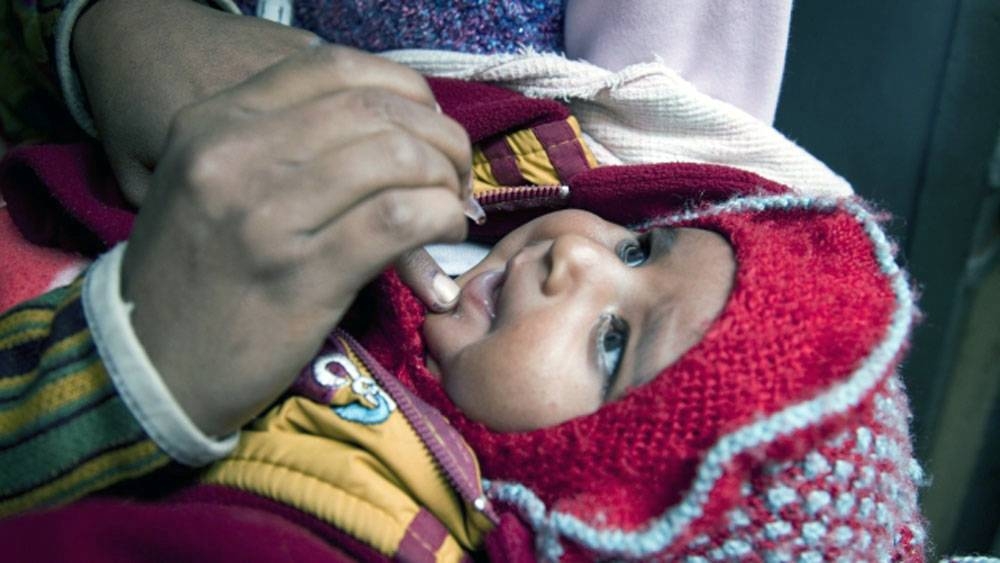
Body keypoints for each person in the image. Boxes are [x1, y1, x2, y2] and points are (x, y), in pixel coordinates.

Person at [0, 1, 929, 560]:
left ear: (590, 503)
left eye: (614, 340)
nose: (581, 255)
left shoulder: (365, 526)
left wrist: (143, 366)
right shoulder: (505, 185)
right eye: (641, 250)